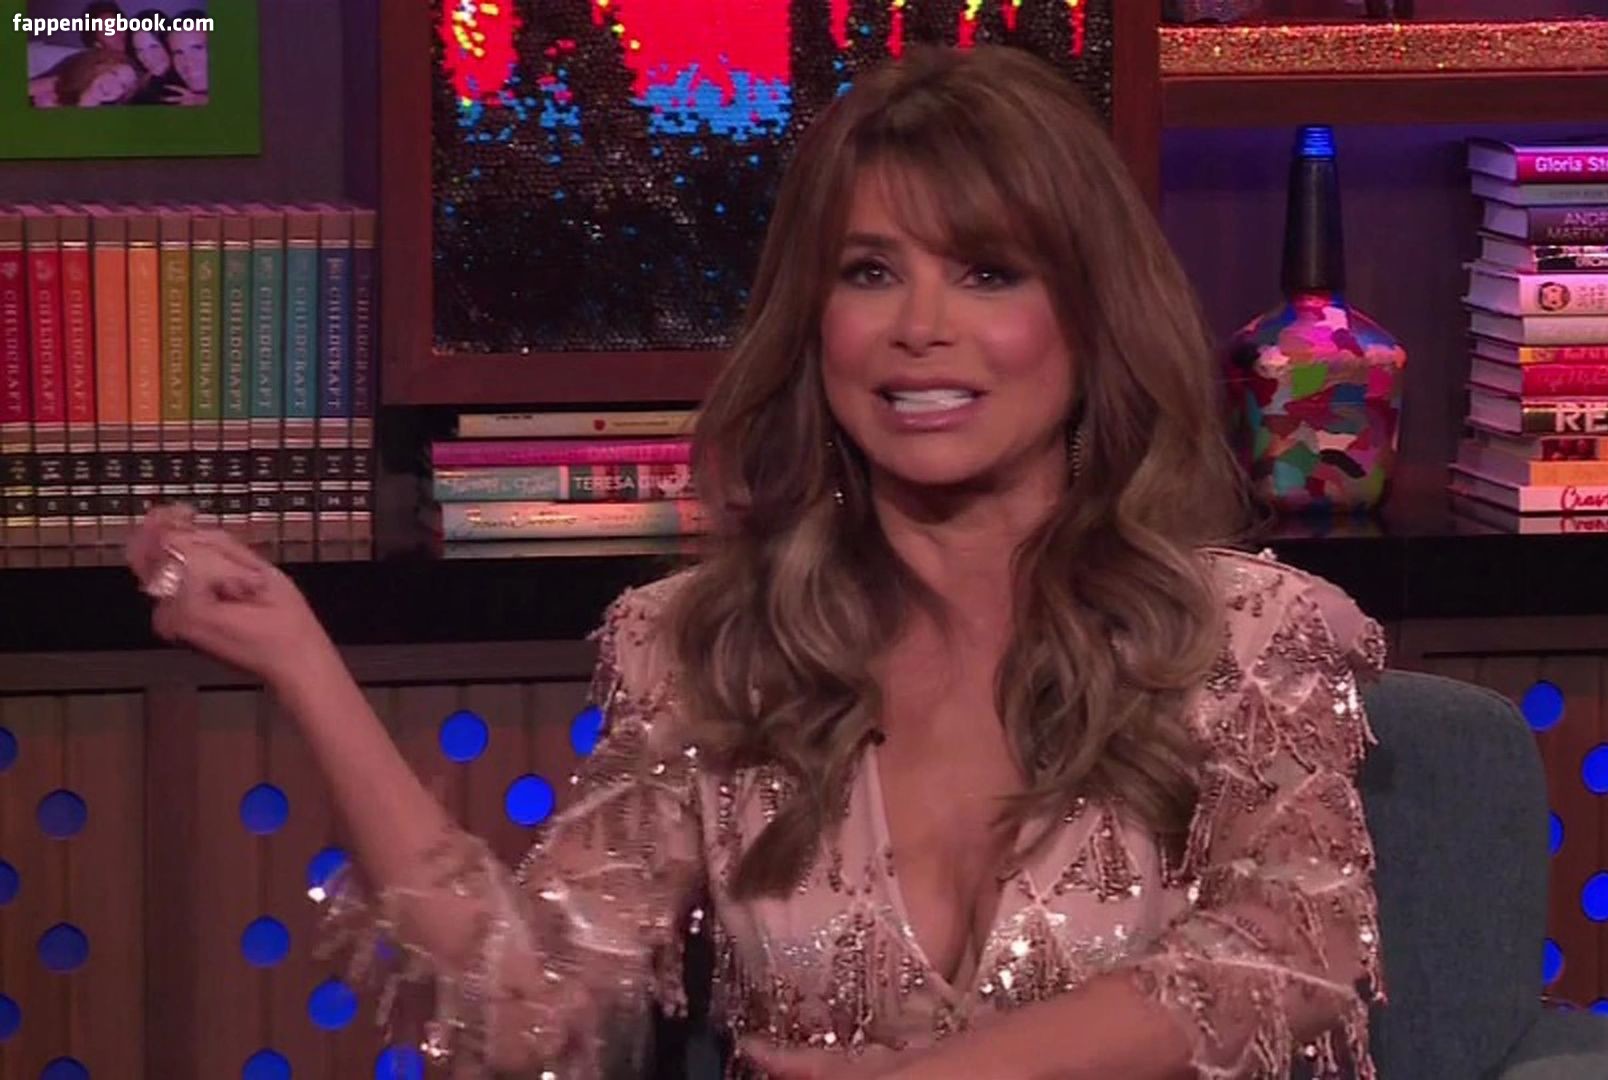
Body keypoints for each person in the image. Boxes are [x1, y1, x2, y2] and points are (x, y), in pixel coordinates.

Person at [126, 43, 1387, 1080]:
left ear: (1090, 318)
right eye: (871, 273)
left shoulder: (1244, 636)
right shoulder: (704, 652)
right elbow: (527, 1011)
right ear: (815, 320)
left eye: (987, 272)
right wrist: (304, 664)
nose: (920, 328)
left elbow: (1290, 954)